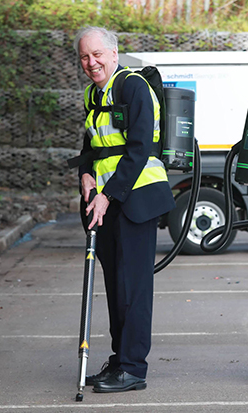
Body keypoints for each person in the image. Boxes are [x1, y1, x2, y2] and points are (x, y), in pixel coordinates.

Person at [74, 26, 175, 393]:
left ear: (114, 54)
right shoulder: (92, 95)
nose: (91, 62)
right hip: (106, 203)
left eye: (97, 54)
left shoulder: (133, 86)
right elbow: (91, 146)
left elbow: (138, 149)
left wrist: (107, 194)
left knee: (134, 287)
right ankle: (120, 361)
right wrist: (86, 176)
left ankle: (134, 369)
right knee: (117, 286)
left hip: (136, 199)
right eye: (85, 57)